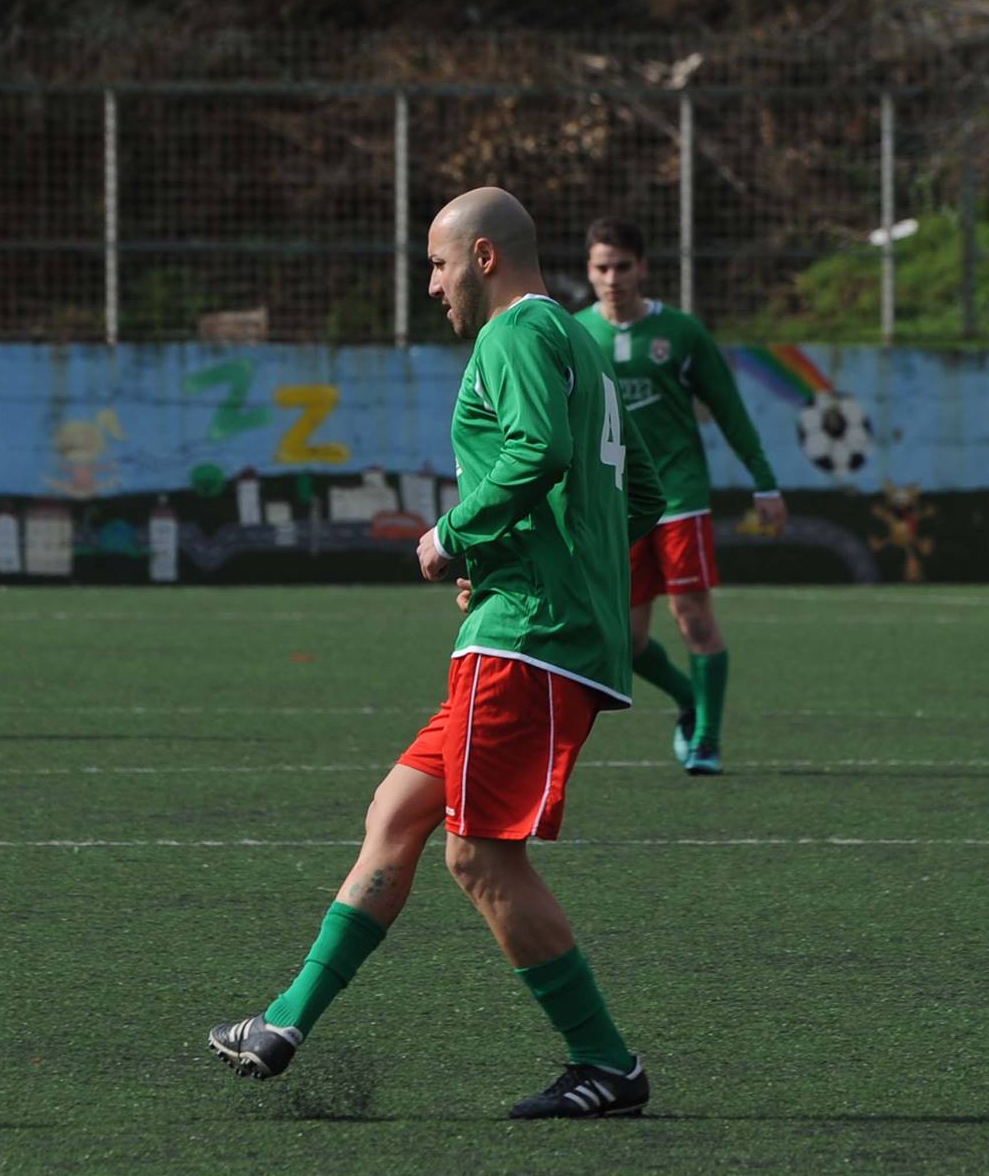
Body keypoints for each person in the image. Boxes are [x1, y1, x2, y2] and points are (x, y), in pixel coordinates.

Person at [209, 187, 665, 1119]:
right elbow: (641, 491)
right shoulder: (578, 339)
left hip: (530, 640)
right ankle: (285, 1022)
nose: (431, 284)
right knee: (398, 809)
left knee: (480, 857)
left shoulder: (514, 335)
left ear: (486, 257)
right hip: (524, 623)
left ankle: (605, 1063)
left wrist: (455, 536)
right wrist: (518, 551)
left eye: (438, 262)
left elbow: (537, 449)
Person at [573, 218, 785, 776]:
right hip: (614, 506)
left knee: (693, 618)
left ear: (642, 268)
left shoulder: (682, 334)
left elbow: (730, 410)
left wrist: (764, 481)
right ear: (588, 272)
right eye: (602, 267)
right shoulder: (573, 334)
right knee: (627, 638)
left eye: (622, 266)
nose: (613, 278)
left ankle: (708, 740)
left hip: (678, 496)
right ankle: (691, 698)